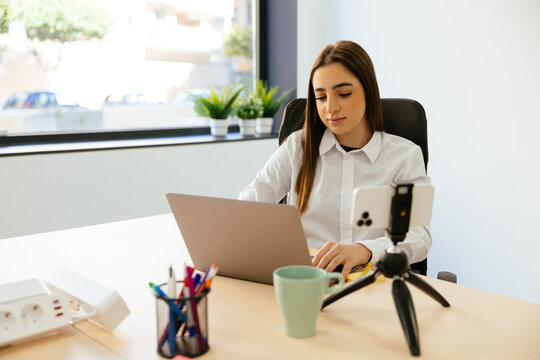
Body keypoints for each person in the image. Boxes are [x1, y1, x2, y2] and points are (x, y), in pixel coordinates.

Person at [239, 40, 431, 278]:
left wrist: (363, 250)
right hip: (307, 280)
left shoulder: (404, 155)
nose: (331, 108)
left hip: (372, 282)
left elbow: (419, 237)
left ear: (368, 93)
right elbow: (248, 206)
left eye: (344, 94)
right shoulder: (298, 147)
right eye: (321, 97)